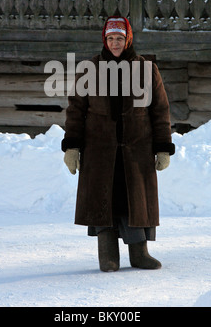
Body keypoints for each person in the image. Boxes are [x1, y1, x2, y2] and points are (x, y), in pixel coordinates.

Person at [61, 16, 175, 272]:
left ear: (128, 40)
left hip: (137, 149)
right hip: (99, 150)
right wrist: (72, 146)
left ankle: (139, 253)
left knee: (135, 200)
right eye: (111, 38)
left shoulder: (147, 69)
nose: (115, 43)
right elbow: (76, 110)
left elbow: (160, 110)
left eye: (120, 38)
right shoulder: (89, 69)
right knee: (104, 200)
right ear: (104, 39)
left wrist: (163, 147)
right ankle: (108, 255)